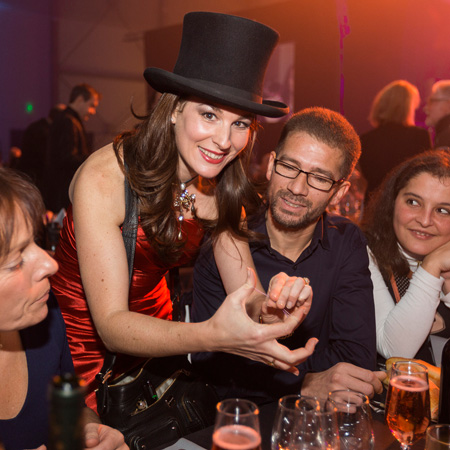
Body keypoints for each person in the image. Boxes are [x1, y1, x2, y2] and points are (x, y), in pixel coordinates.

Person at [50, 12, 316, 411]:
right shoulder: (105, 179)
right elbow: (110, 326)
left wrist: (274, 307)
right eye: (209, 115)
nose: (225, 141)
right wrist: (213, 335)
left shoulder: (222, 188)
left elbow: (246, 294)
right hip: (78, 356)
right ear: (173, 108)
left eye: (240, 123)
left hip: (161, 351)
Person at [191, 107, 383, 402]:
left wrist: (275, 375)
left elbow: (356, 358)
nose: (296, 188)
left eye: (319, 178)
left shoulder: (346, 240)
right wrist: (305, 384)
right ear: (270, 166)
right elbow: (212, 367)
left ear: (339, 193)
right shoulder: (227, 237)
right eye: (289, 167)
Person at [0, 168, 127, 450]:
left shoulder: (43, 314)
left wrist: (91, 431)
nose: (51, 264)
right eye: (15, 262)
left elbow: (74, 408)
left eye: (35, 242)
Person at [362, 149, 450, 366]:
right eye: (413, 202)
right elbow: (396, 351)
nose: (425, 220)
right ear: (392, 202)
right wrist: (432, 266)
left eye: (442, 210)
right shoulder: (362, 252)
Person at [359, 80, 431, 200]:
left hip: (374, 202)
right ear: (408, 108)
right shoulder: (419, 136)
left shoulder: (366, 139)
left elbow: (365, 178)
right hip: (407, 201)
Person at [45, 83, 100, 212]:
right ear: (80, 99)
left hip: (61, 192)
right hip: (63, 195)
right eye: (91, 106)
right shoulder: (68, 121)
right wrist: (94, 159)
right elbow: (67, 158)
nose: (93, 112)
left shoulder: (66, 119)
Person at [18, 104, 66, 196]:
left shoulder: (36, 126)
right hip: (35, 177)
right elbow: (44, 158)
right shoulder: (45, 132)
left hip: (28, 174)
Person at [425, 80, 450, 149]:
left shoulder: (446, 139)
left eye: (432, 101)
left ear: (448, 105)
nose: (426, 108)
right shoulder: (443, 135)